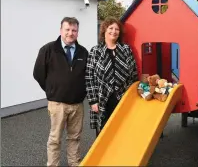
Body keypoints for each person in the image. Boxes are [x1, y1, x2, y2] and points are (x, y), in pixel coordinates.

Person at [33, 17, 89, 166]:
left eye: (74, 30)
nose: (70, 33)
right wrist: (51, 90)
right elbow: (38, 73)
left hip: (77, 105)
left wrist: (81, 93)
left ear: (77, 32)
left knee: (75, 138)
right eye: (67, 29)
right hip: (57, 104)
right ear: (61, 30)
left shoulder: (83, 52)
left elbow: (87, 76)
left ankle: (74, 163)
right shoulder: (48, 50)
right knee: (55, 139)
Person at [85, 17, 138, 137]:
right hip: (102, 98)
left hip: (122, 97)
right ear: (104, 30)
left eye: (117, 29)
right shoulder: (95, 51)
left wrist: (133, 96)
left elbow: (134, 73)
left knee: (122, 129)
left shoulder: (126, 50)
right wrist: (93, 101)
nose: (114, 31)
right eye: (111, 28)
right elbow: (89, 78)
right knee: (103, 131)